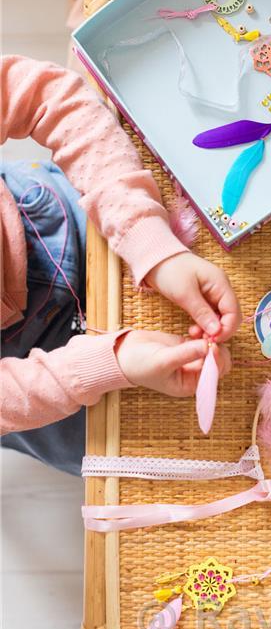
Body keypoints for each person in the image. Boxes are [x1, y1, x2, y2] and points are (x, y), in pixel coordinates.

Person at [0, 55, 241, 474]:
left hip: (44, 220)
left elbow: (48, 95)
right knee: (137, 455)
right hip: (25, 375)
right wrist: (110, 363)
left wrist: (149, 242)